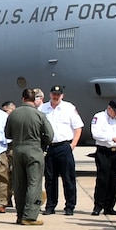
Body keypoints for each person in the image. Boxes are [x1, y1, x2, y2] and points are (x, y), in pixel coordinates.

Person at [5, 88, 51, 225]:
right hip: (34, 150)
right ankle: (29, 215)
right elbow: (49, 136)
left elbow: (7, 134)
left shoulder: (13, 114)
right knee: (34, 183)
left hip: (18, 150)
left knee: (19, 183)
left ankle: (20, 214)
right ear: (34, 100)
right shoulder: (39, 115)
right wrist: (40, 142)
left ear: (23, 98)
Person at [42, 86, 84, 216]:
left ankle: (70, 206)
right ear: (50, 94)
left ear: (62, 96)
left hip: (64, 146)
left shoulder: (69, 108)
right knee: (50, 179)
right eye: (54, 94)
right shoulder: (42, 109)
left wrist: (73, 145)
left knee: (68, 178)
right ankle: (50, 205)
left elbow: (78, 127)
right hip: (49, 147)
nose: (56, 96)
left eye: (58, 95)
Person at [89, 98, 116, 216]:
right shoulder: (99, 117)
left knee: (114, 180)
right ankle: (98, 205)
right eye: (114, 111)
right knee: (103, 179)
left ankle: (110, 206)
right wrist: (111, 138)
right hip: (104, 151)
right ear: (109, 108)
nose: (115, 114)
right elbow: (96, 134)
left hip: (115, 151)